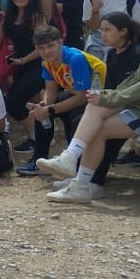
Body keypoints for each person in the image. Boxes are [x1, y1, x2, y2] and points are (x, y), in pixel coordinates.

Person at [38, 4, 140, 203]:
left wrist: (110, 97)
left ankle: (76, 171)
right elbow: (135, 81)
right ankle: (80, 178)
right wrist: (106, 95)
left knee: (97, 117)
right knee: (96, 111)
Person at [19, 25, 98, 176]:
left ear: (61, 42)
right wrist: (44, 104)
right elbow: (51, 90)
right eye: (41, 48)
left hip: (97, 97)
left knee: (73, 117)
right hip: (78, 94)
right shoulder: (47, 62)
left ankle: (74, 164)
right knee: (40, 113)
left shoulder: (76, 59)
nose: (46, 51)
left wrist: (50, 109)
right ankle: (39, 160)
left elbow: (82, 98)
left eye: (50, 46)